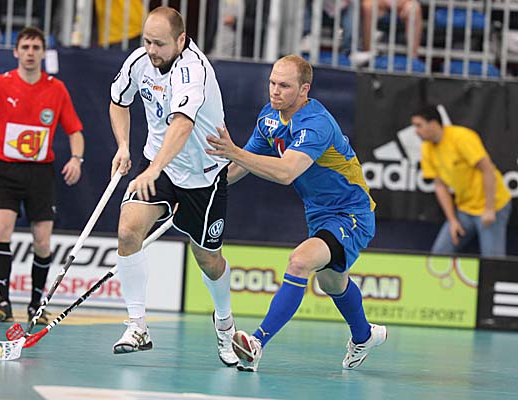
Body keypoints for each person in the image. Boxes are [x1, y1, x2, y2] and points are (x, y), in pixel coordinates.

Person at [206, 55, 387, 372]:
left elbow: (286, 172)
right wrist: (202, 190)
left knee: (300, 261)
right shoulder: (269, 116)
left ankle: (256, 344)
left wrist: (234, 151)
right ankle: (365, 335)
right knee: (332, 283)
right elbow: (241, 165)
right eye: (272, 83)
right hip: (318, 214)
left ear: (304, 90)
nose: (275, 91)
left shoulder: (316, 124)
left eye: (285, 86)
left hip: (351, 212)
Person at [108, 7, 238, 366]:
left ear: (181, 40)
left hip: (202, 174)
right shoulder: (140, 61)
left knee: (208, 259)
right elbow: (118, 101)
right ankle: (137, 325)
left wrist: (153, 170)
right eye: (147, 41)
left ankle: (224, 321)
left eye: (159, 44)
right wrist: (123, 146)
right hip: (159, 163)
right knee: (128, 232)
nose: (151, 50)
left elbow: (181, 125)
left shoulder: (193, 70)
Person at [0, 27, 85, 324]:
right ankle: (2, 301)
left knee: (42, 241)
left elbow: (75, 130)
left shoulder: (56, 89)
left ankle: (36, 305)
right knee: (1, 229)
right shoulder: (0, 84)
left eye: (36, 47)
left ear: (43, 52)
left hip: (40, 174)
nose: (30, 53)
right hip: (5, 170)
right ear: (16, 51)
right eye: (25, 47)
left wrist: (76, 159)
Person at [411, 105, 512, 257]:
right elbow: (440, 186)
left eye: (419, 125)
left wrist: (490, 209)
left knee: (492, 262)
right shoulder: (426, 148)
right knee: (439, 254)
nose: (416, 131)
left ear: (433, 123)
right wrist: (452, 220)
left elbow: (488, 170)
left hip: (493, 206)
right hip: (464, 209)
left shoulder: (461, 137)